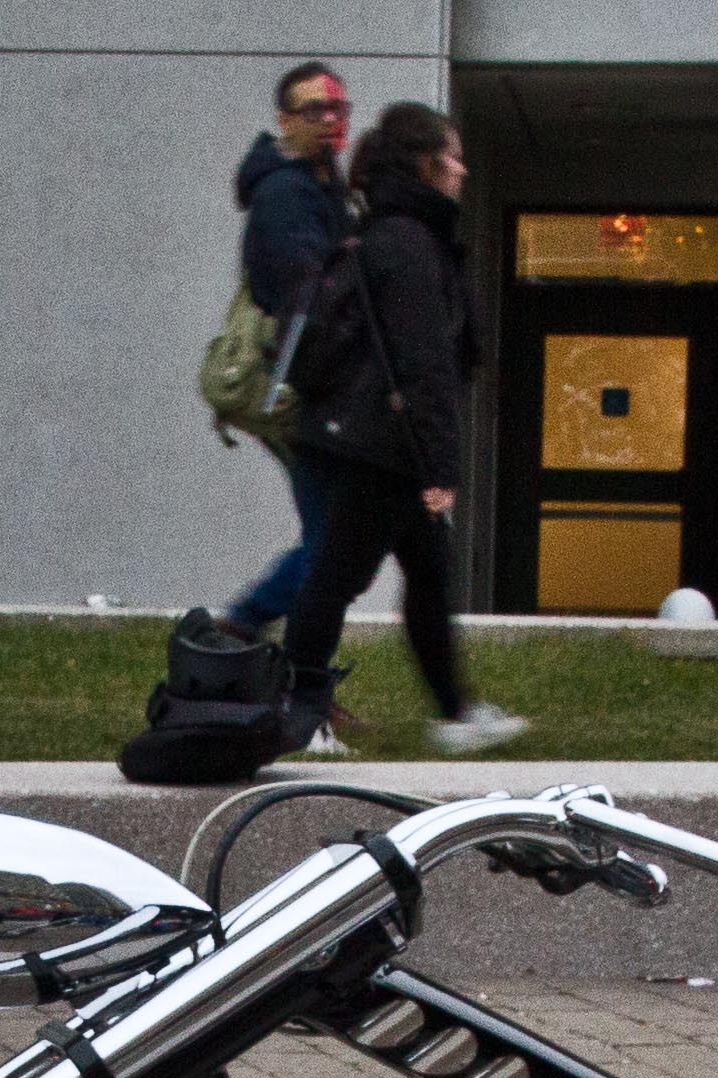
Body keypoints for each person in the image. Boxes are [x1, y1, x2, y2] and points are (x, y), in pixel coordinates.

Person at [282, 101, 528, 757]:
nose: (462, 170)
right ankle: (300, 710)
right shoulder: (409, 246)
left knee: (426, 571)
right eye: (453, 156)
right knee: (338, 576)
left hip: (377, 435)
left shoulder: (400, 236)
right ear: (426, 164)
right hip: (383, 445)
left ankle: (454, 711)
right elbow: (425, 365)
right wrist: (440, 468)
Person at [223, 63, 350, 649]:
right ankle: (247, 627)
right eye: (313, 111)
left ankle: (270, 644)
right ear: (284, 121)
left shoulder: (323, 187)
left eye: (337, 109)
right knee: (333, 544)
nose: (329, 120)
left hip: (316, 387)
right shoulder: (285, 195)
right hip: (302, 389)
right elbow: (303, 295)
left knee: (335, 540)